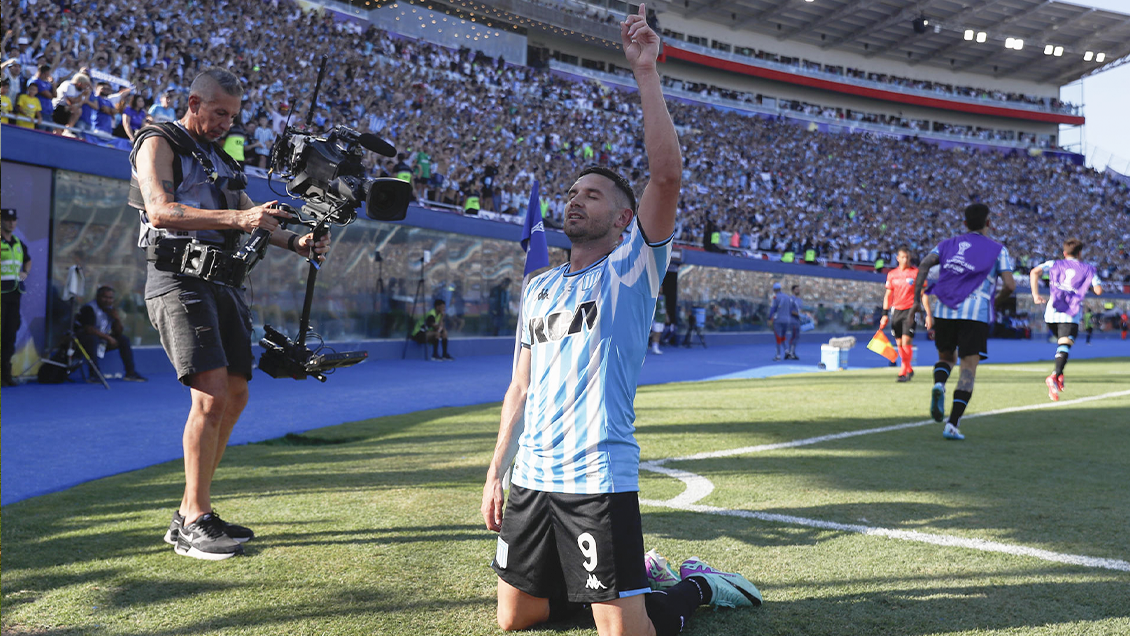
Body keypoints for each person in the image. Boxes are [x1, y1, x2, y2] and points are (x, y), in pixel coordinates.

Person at [481, 8, 761, 636]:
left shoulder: (632, 270)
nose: (576, 199)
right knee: (514, 620)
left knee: (625, 634)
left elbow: (667, 176)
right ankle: (630, 576)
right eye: (573, 192)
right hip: (531, 476)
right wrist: (497, 470)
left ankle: (693, 589)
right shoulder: (540, 287)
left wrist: (645, 73)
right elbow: (518, 387)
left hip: (595, 477)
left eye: (594, 194)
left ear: (624, 220)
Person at [131, 69, 329, 560]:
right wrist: (241, 218)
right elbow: (160, 210)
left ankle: (189, 513)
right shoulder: (157, 140)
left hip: (225, 283)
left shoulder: (221, 156)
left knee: (236, 393)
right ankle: (197, 519)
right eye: (219, 113)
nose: (226, 123)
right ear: (194, 101)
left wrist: (297, 242)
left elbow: (247, 209)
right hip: (179, 279)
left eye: (233, 116)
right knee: (212, 396)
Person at [914, 203, 1016, 441]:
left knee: (945, 359)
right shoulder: (998, 249)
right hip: (975, 311)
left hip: (945, 308)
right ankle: (952, 424)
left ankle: (939, 384)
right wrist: (995, 302)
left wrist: (916, 301)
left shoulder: (947, 244)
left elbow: (924, 265)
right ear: (988, 223)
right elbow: (1010, 285)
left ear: (965, 224)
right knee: (967, 369)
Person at [1029, 238, 1102, 401]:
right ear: (1080, 253)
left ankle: (1059, 375)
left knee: (1063, 344)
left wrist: (1035, 295)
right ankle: (1055, 376)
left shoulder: (1054, 264)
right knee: (1065, 343)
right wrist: (1087, 285)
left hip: (1051, 311)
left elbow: (1034, 271)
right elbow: (1098, 290)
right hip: (1071, 311)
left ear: (1064, 253)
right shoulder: (1088, 269)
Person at [74, 285, 148, 382]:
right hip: (83, 342)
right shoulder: (89, 308)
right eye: (105, 297)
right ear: (98, 297)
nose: (108, 300)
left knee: (123, 340)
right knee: (92, 339)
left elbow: (118, 331)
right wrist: (108, 338)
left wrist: (116, 318)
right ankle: (94, 374)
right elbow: (89, 329)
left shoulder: (110, 310)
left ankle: (130, 373)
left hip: (101, 340)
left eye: (110, 298)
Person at [880, 246, 920, 382]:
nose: (905, 260)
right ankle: (909, 368)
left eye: (908, 257)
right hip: (896, 311)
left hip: (910, 310)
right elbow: (888, 295)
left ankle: (903, 371)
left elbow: (922, 293)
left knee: (906, 341)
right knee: (899, 344)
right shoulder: (892, 274)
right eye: (903, 257)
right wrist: (884, 314)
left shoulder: (916, 273)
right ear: (898, 258)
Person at [1, 208, 32, 387]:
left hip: (14, 293)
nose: (11, 223)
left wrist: (25, 272)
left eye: (13, 220)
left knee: (10, 334)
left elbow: (27, 259)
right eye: (7, 220)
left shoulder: (19, 243)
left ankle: (5, 373)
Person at [767, 281, 793, 361]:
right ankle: (787, 351)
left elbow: (773, 309)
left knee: (778, 337)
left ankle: (778, 355)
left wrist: (769, 318)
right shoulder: (787, 297)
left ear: (774, 290)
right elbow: (790, 308)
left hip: (778, 320)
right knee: (783, 336)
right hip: (787, 319)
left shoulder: (775, 298)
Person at [785, 284, 805, 360]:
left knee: (797, 336)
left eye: (799, 289)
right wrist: (799, 314)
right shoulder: (791, 299)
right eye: (797, 289)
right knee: (794, 336)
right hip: (792, 320)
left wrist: (804, 315)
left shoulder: (799, 300)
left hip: (798, 321)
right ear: (793, 290)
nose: (798, 291)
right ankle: (790, 352)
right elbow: (791, 311)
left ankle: (791, 352)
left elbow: (800, 310)